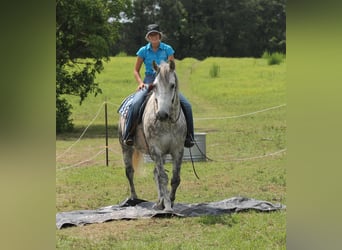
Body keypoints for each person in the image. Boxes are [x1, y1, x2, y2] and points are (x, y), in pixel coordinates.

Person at [121, 24, 194, 148]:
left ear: (160, 36)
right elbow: (135, 70)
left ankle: (189, 136)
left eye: (156, 35)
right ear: (148, 37)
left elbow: (172, 69)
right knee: (136, 103)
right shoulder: (143, 51)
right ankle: (129, 135)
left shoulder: (168, 49)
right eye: (151, 35)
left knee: (187, 105)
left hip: (165, 81)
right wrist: (140, 83)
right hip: (149, 81)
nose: (154, 37)